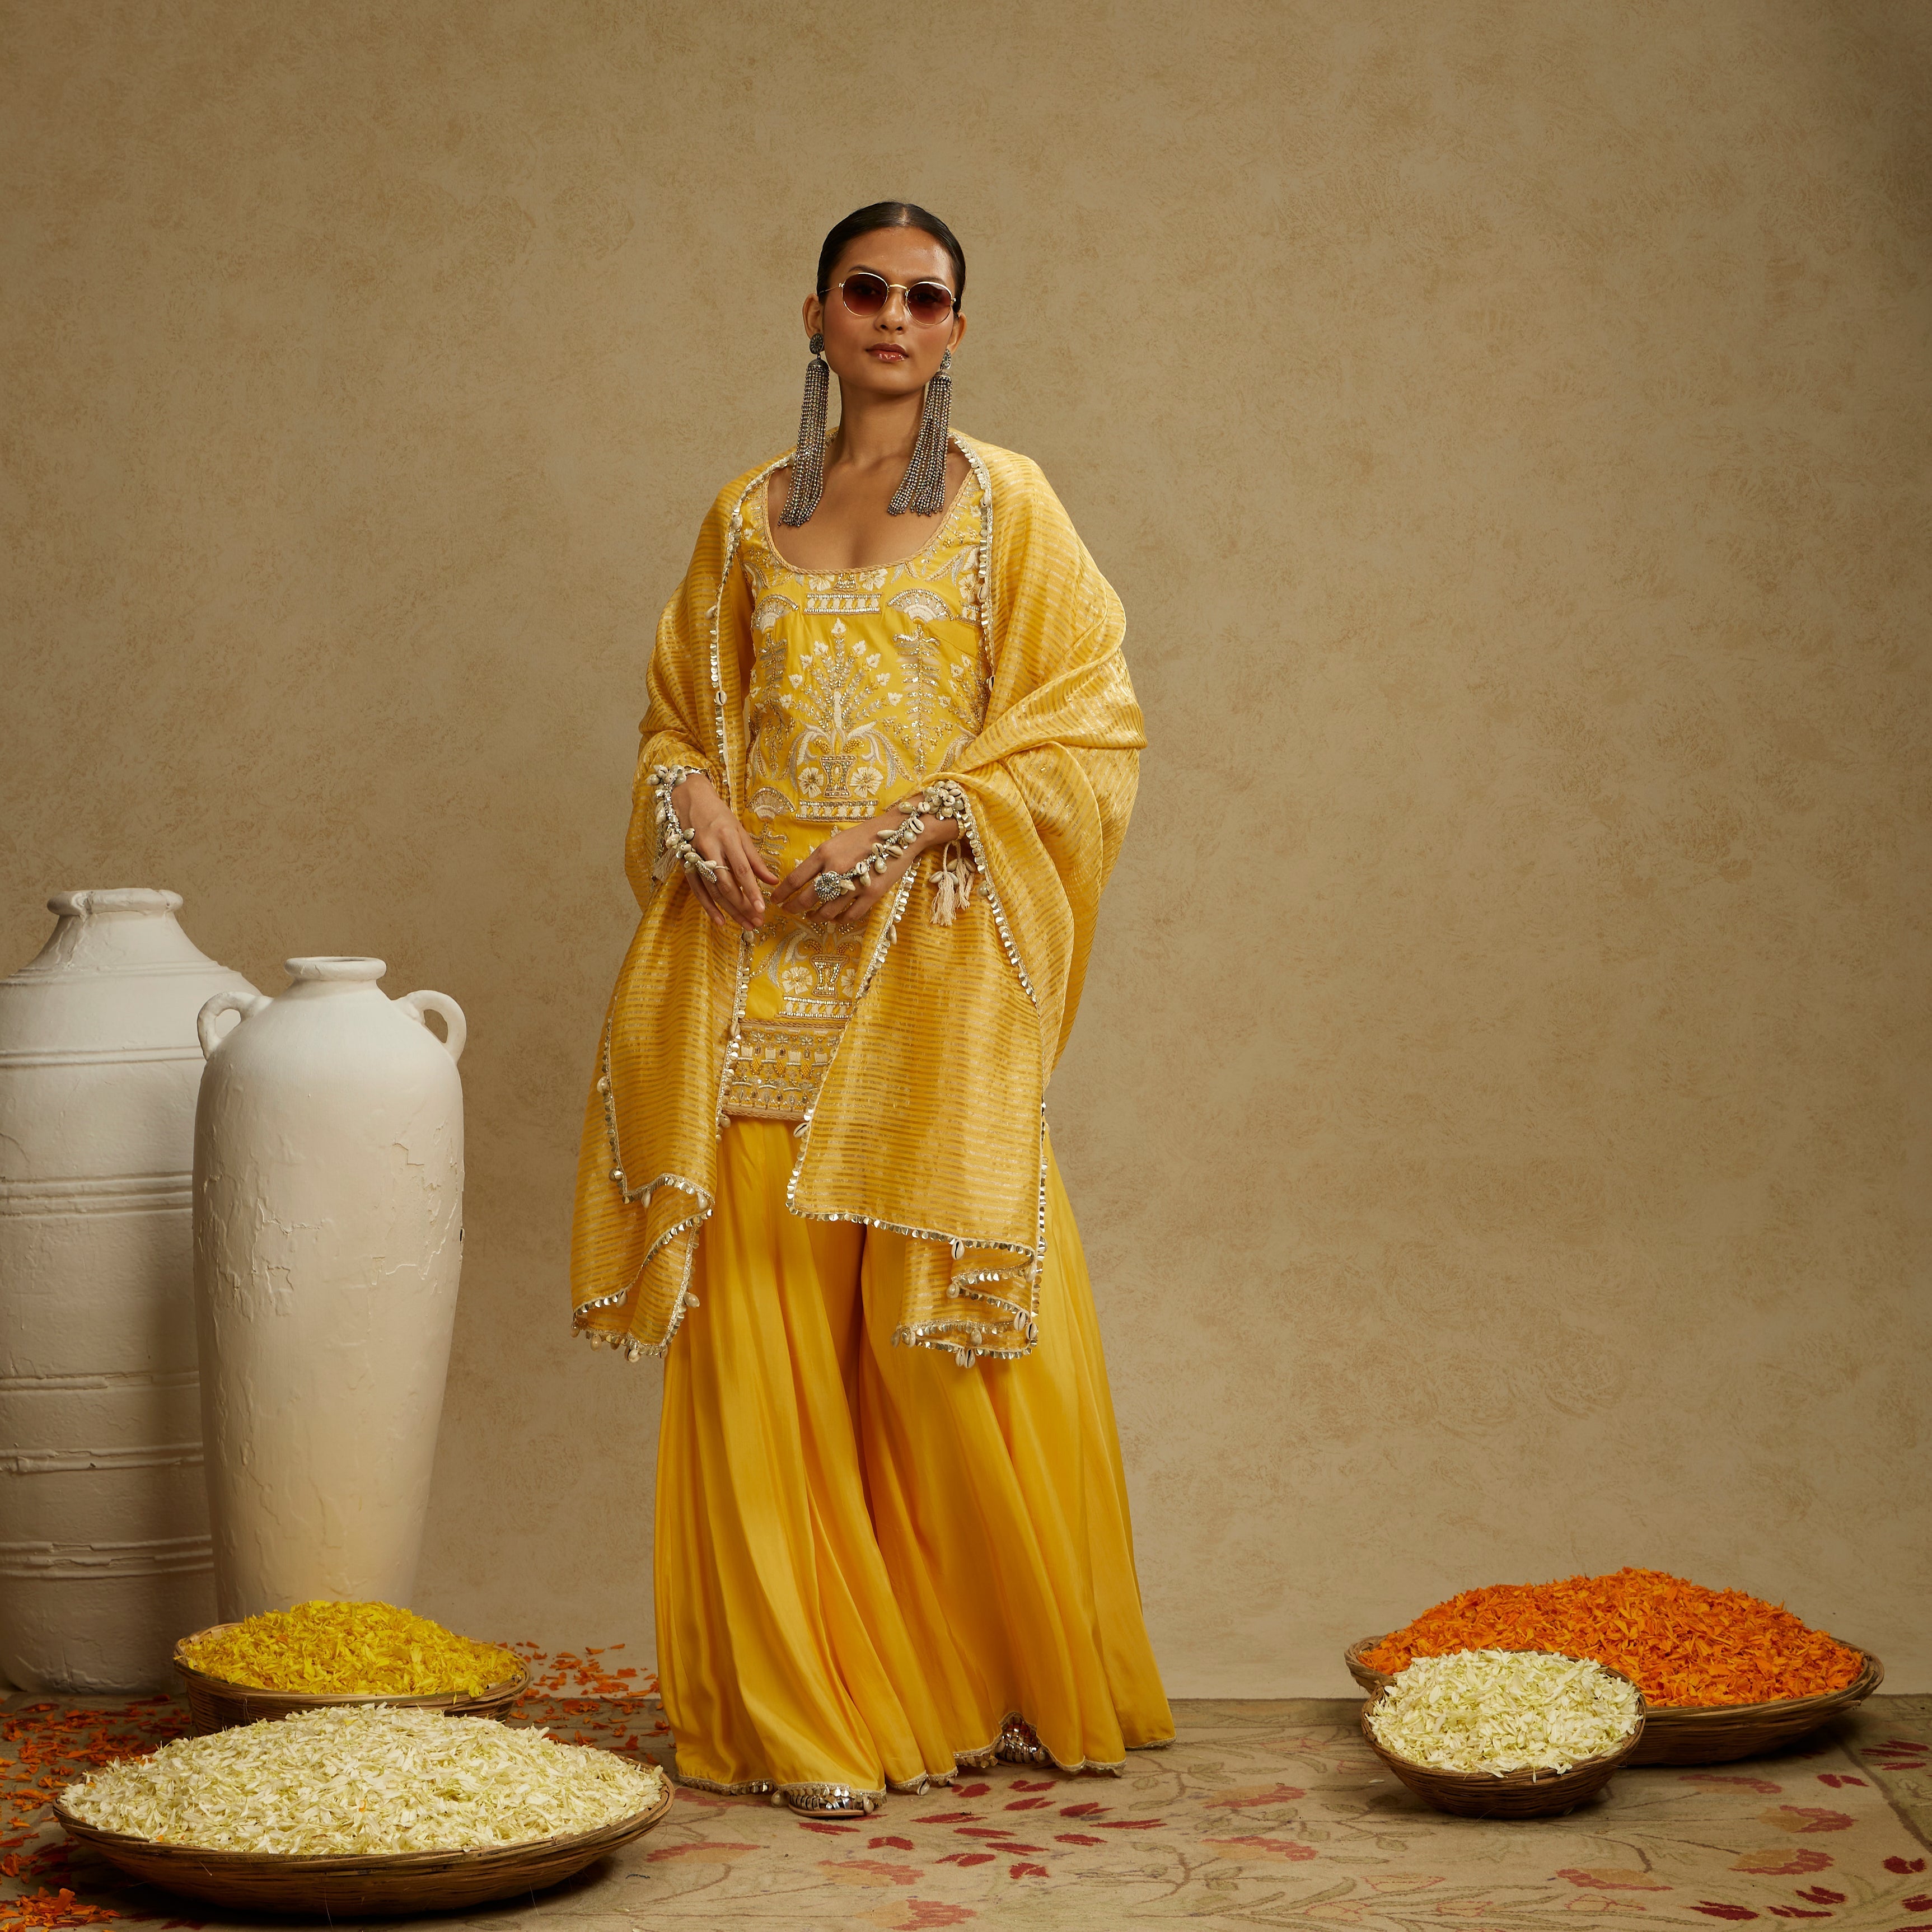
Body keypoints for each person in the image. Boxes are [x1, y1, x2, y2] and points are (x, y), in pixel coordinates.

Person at [568, 200, 1172, 1818]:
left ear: (957, 329)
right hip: (757, 962)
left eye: (926, 296)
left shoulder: (1007, 508)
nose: (895, 318)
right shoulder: (741, 515)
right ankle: (798, 1707)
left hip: (924, 972)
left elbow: (1081, 723)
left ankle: (995, 1674)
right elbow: (677, 722)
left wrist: (900, 828)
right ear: (817, 315)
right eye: (867, 291)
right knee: (760, 1340)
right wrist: (687, 801)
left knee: (947, 1343)